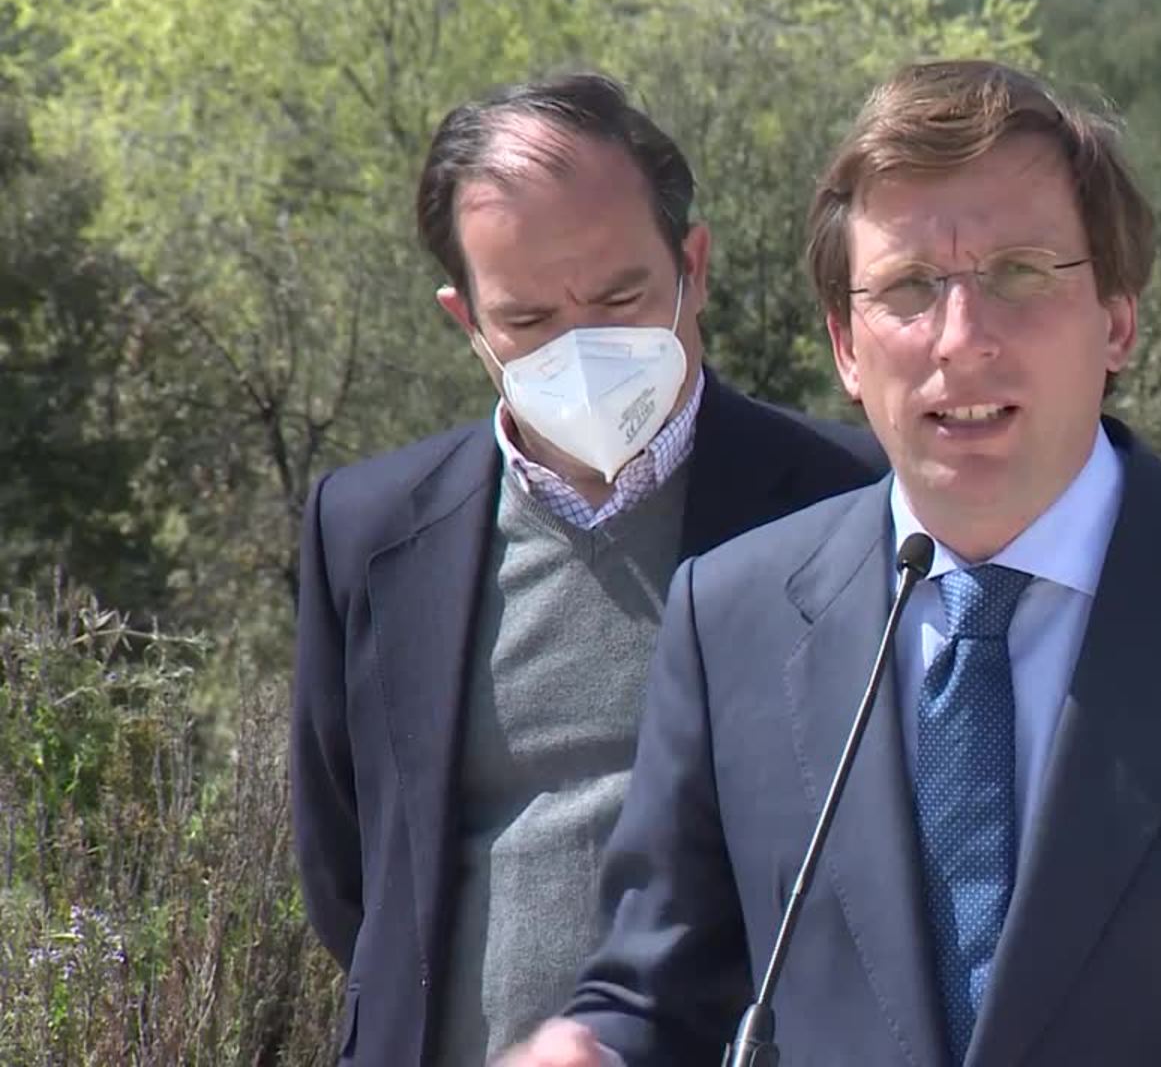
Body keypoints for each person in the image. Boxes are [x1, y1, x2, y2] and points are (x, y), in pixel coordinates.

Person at [504, 59, 1161, 1067]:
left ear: (1117, 320)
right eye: (909, 288)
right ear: (847, 347)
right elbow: (654, 1001)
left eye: (1019, 275)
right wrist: (595, 1050)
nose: (962, 338)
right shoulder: (730, 617)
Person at [289, 71, 885, 1066]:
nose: (585, 350)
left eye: (620, 298)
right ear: (466, 321)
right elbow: (349, 870)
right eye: (527, 320)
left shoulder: (853, 505)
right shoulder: (368, 530)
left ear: (693, 265)